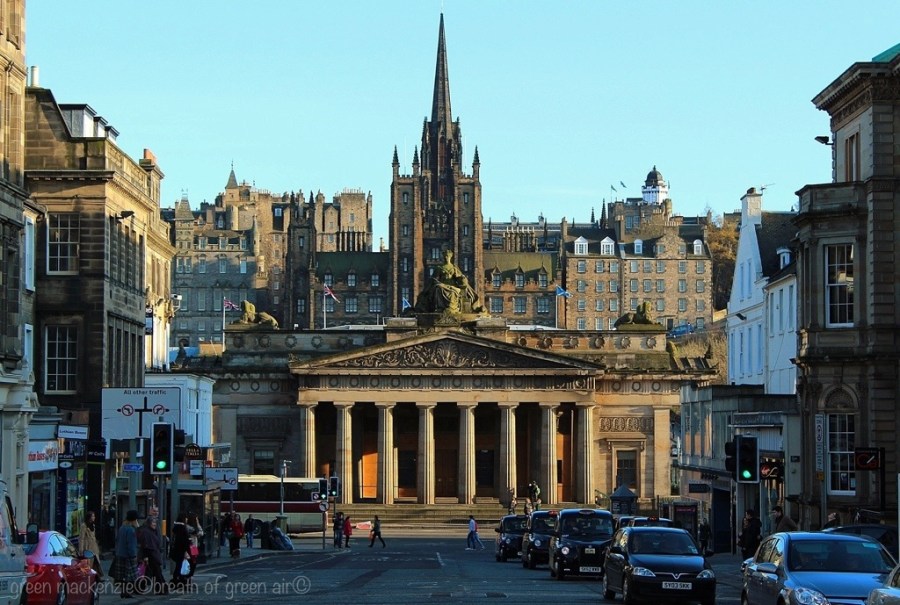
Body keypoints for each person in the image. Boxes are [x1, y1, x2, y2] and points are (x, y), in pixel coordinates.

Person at [136, 516, 167, 594]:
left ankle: (139, 588)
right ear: (149, 523)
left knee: (149, 573)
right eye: (153, 522)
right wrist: (145, 557)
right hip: (150, 555)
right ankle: (161, 589)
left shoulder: (153, 531)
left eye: (155, 523)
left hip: (153, 555)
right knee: (155, 573)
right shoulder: (146, 532)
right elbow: (145, 545)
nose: (154, 524)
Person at [113, 509, 140, 599]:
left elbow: (118, 541)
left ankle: (123, 591)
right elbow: (131, 545)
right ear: (134, 519)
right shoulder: (131, 530)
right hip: (128, 556)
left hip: (120, 554)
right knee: (130, 576)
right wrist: (134, 555)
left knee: (123, 576)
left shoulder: (122, 528)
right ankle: (127, 592)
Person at [79, 510, 104, 581]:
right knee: (89, 563)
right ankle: (88, 578)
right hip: (87, 547)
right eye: (93, 516)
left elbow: (94, 536)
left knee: (96, 562)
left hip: (94, 546)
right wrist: (81, 549)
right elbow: (81, 538)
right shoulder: (84, 526)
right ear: (89, 517)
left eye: (94, 516)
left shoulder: (93, 525)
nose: (94, 517)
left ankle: (97, 577)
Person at [169, 513, 192, 587]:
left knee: (178, 566)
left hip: (175, 551)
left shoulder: (175, 528)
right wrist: (186, 551)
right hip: (181, 551)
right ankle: (180, 581)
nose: (187, 519)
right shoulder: (183, 529)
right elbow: (184, 541)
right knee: (181, 566)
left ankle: (176, 580)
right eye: (186, 518)